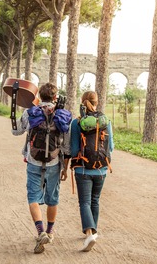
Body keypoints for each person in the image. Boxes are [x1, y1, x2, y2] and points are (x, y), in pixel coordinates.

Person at [11, 82, 71, 254]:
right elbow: (66, 147)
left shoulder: (30, 113)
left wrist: (14, 115)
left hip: (33, 162)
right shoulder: (63, 115)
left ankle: (40, 231)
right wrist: (65, 168)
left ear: (39, 96)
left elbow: (16, 132)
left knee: (33, 198)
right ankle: (50, 232)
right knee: (53, 198)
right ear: (55, 97)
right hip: (54, 163)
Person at [67, 91, 114, 252]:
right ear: (97, 102)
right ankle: (93, 230)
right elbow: (111, 147)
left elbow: (73, 150)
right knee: (95, 200)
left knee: (85, 202)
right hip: (101, 169)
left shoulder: (77, 122)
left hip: (83, 169)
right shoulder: (106, 121)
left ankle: (89, 233)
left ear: (82, 103)